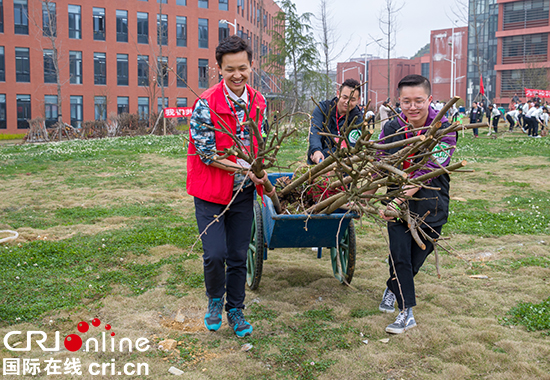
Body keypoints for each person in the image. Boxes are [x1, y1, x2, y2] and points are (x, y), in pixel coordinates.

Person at [187, 35, 272, 338]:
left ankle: (235, 309)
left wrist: (259, 170)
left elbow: (259, 144)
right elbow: (207, 154)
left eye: (243, 68)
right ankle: (214, 299)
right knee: (214, 254)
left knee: (237, 255)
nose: (237, 75)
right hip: (210, 191)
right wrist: (246, 169)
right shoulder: (205, 104)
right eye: (229, 69)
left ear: (251, 66)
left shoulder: (259, 102)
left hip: (242, 194)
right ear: (219, 69)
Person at [376, 74, 456, 334]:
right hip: (396, 201)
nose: (412, 107)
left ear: (429, 99)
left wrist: (398, 200)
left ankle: (392, 286)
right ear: (399, 101)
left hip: (431, 202)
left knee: (415, 258)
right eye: (406, 101)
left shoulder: (444, 128)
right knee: (400, 256)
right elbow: (380, 158)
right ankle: (406, 312)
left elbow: (431, 170)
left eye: (418, 101)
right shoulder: (392, 127)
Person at [307, 78, 363, 164]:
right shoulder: (323, 108)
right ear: (338, 94)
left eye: (352, 100)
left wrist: (326, 157)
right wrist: (316, 151)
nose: (347, 102)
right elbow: (315, 131)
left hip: (342, 164)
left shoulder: (357, 118)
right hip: (317, 161)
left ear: (358, 100)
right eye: (345, 97)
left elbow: (350, 146)